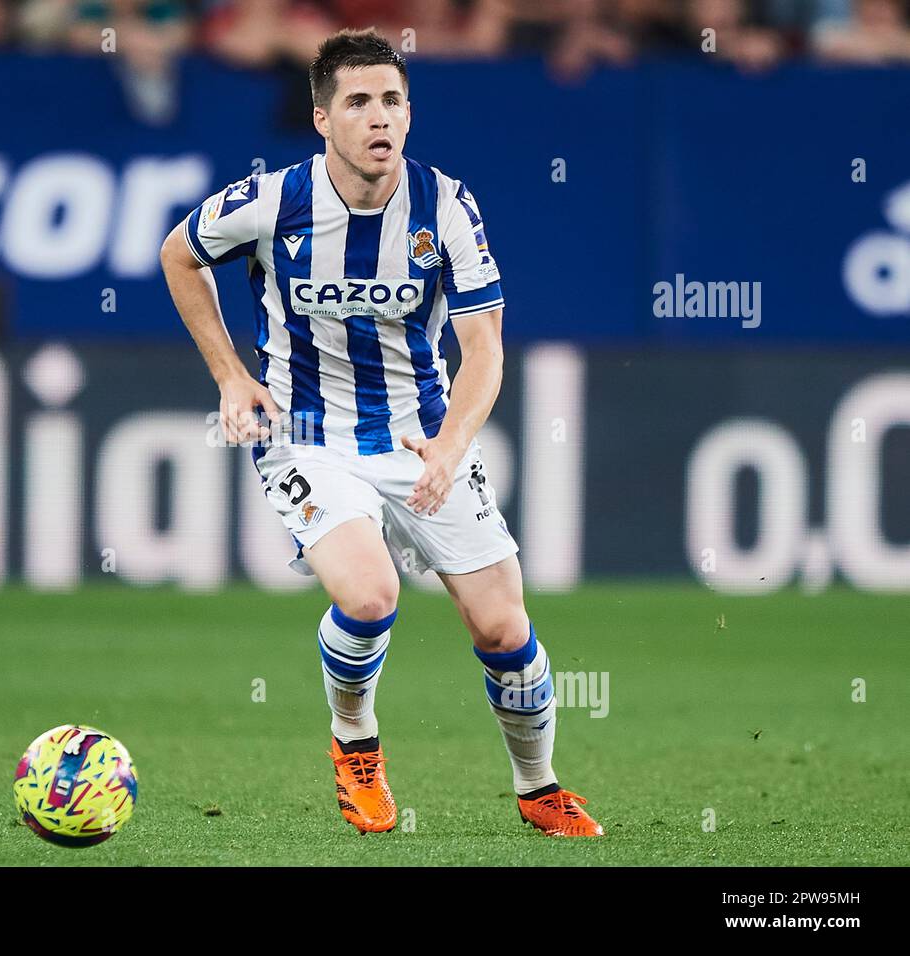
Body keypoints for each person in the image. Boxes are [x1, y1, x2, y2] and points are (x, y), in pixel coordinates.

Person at [160, 28, 603, 838]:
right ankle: (356, 746)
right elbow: (179, 255)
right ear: (322, 118)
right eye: (359, 102)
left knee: (503, 628)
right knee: (370, 594)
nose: (379, 118)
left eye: (392, 101)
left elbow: (484, 348)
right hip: (304, 431)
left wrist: (453, 443)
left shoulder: (447, 206)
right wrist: (230, 375)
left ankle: (539, 786)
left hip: (418, 436)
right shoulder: (272, 201)